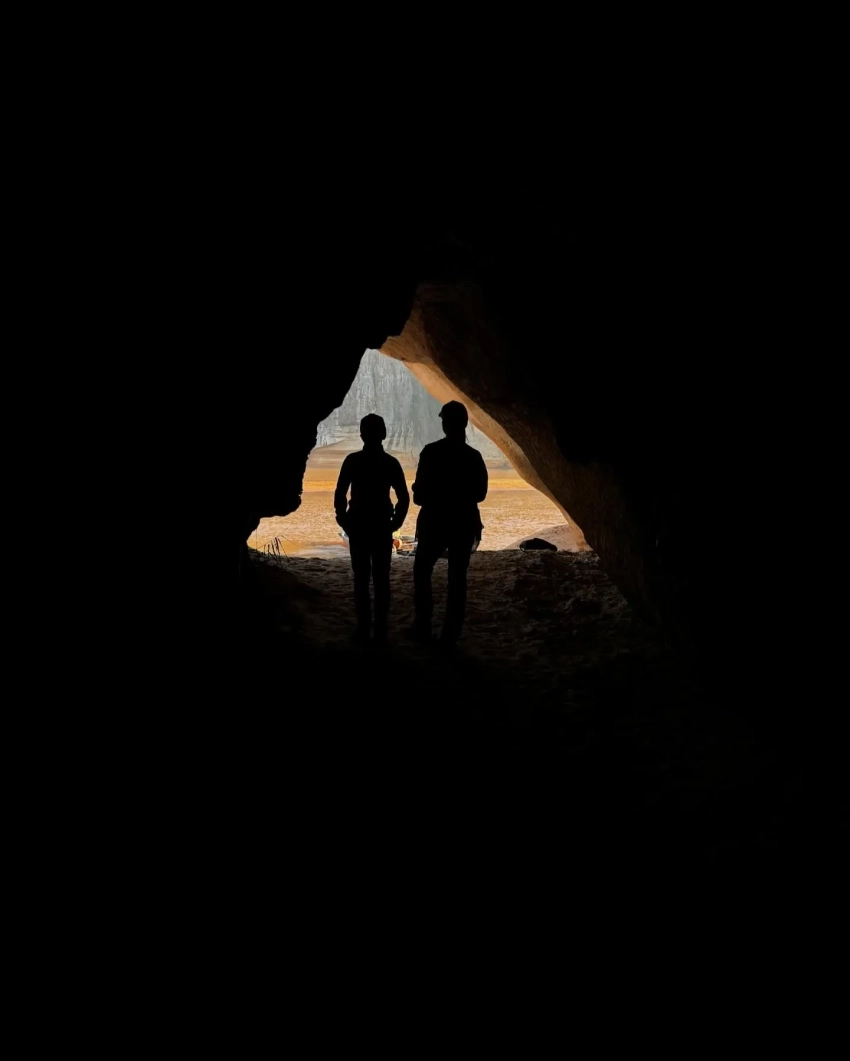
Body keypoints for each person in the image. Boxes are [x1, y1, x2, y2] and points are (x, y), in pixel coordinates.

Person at [410, 400, 488, 646]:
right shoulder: (473, 457)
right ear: (464, 424)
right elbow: (480, 494)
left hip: (433, 522)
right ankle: (450, 635)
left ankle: (423, 626)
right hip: (463, 524)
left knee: (422, 572)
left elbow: (419, 497)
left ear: (445, 424)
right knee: (457, 579)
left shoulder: (430, 453)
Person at [334, 414, 409, 642]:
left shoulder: (352, 461)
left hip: (358, 525)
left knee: (361, 579)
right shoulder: (390, 463)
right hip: (381, 526)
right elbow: (403, 497)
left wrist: (343, 519)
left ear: (361, 435)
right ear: (384, 434)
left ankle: (363, 628)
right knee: (381, 580)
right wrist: (395, 523)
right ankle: (380, 630)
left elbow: (340, 493)